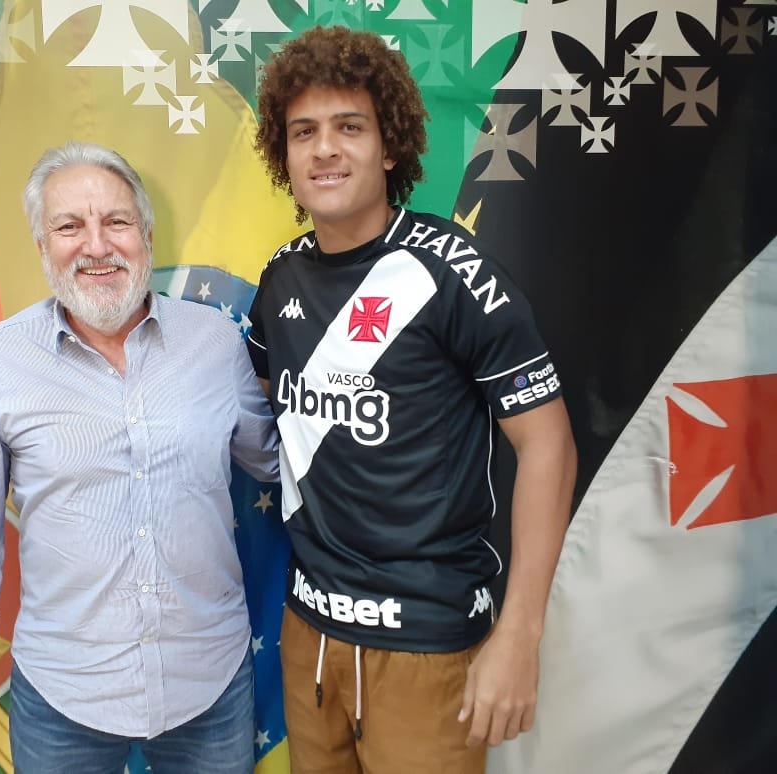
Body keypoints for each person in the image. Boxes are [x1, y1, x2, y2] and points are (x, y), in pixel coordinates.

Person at [246, 25, 578, 774]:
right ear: (283, 154)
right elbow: (259, 411)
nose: (325, 149)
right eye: (304, 132)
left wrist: (520, 635)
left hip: (428, 646)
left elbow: (547, 443)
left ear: (388, 146)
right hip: (309, 637)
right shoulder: (280, 278)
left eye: (349, 127)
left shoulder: (452, 270)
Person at [0, 141, 279, 774]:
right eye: (69, 227)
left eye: (116, 221)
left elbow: (278, 465)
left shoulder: (218, 344)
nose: (96, 245)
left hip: (209, 683)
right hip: (63, 694)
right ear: (42, 246)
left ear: (146, 234)